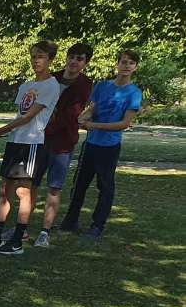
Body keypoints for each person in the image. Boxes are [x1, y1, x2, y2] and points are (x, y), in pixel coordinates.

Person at [0, 40, 60, 255]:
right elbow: (20, 115)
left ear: (50, 60)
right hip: (16, 142)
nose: (35, 60)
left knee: (23, 191)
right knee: (5, 190)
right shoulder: (26, 86)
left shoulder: (51, 85)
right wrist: (3, 133)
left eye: (40, 56)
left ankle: (17, 239)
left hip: (32, 144)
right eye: (33, 56)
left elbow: (30, 117)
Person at [59, 49, 142, 241]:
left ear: (135, 67)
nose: (126, 66)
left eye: (130, 63)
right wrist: (81, 118)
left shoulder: (134, 93)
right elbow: (93, 109)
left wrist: (92, 125)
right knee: (79, 184)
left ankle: (97, 225)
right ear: (117, 64)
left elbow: (124, 123)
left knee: (105, 187)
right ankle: (70, 221)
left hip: (109, 147)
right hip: (91, 144)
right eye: (123, 62)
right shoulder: (103, 86)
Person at [31, 43, 94, 248]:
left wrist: (49, 125)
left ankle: (44, 231)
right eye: (72, 56)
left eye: (80, 58)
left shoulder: (84, 84)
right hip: (40, 139)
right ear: (66, 57)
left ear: (85, 63)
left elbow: (71, 114)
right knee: (31, 183)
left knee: (54, 187)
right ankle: (21, 227)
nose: (74, 62)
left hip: (63, 142)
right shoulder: (52, 78)